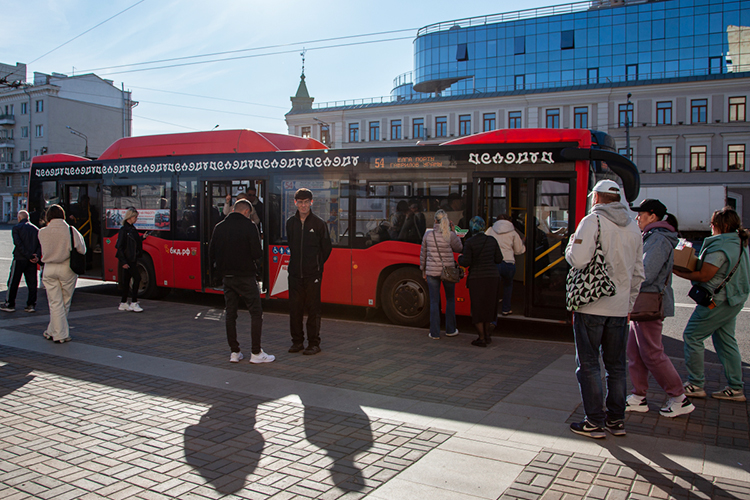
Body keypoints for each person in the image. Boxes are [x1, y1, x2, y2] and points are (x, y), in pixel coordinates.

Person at [565, 180, 644, 439]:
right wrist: (628, 305)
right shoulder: (633, 227)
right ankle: (616, 420)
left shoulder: (592, 221)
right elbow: (638, 274)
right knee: (616, 366)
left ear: (596, 198)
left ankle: (595, 422)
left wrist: (569, 246)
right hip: (620, 309)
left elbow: (577, 259)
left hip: (591, 305)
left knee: (588, 364)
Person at [673, 206, 750, 402]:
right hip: (733, 298)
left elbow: (706, 274)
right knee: (726, 341)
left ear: (721, 226)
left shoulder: (721, 245)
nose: (710, 226)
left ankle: (696, 383)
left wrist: (676, 271)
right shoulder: (739, 243)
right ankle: (735, 388)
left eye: (712, 223)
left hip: (717, 299)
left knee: (692, 335)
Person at [627, 199, 694, 417]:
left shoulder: (659, 238)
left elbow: (647, 271)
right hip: (642, 302)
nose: (637, 217)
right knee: (635, 351)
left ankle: (679, 398)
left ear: (652, 216)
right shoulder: (653, 236)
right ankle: (639, 396)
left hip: (649, 301)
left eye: (641, 214)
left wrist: (625, 277)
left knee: (652, 353)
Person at [209, 199, 274, 364]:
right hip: (245, 276)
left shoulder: (219, 227)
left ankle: (235, 352)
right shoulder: (249, 226)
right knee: (256, 313)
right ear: (247, 211)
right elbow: (256, 253)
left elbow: (211, 252)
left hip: (227, 278)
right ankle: (256, 352)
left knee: (230, 314)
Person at [286, 188, 332, 355]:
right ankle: (297, 342)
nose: (303, 205)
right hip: (295, 275)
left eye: (306, 202)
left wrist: (316, 266)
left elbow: (326, 249)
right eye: (300, 202)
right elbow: (291, 245)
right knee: (295, 309)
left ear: (311, 203)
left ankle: (314, 343)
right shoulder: (290, 223)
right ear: (295, 203)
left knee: (313, 309)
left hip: (313, 275)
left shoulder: (319, 224)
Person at [38, 204, 86, 343]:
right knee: (64, 302)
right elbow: (82, 249)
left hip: (48, 268)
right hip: (67, 267)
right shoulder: (71, 230)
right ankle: (60, 335)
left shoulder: (42, 232)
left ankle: (52, 331)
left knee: (54, 303)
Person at [458, 216, 502, 347]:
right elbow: (499, 259)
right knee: (489, 306)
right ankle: (488, 335)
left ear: (472, 228)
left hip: (477, 278)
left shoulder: (470, 242)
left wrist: (460, 258)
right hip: (493, 278)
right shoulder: (492, 240)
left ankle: (481, 337)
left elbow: (466, 262)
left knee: (478, 307)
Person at [421, 209, 463, 339]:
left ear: (435, 221)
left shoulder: (428, 235)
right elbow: (459, 248)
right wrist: (453, 230)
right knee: (450, 299)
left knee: (434, 302)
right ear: (447, 221)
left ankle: (434, 333)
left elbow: (423, 254)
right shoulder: (450, 235)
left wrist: (423, 270)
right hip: (448, 272)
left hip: (432, 272)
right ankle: (450, 330)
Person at [1, 210, 41, 313]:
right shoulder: (36, 229)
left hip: (20, 258)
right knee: (32, 283)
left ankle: (10, 304)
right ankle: (31, 304)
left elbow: (18, 244)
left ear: (19, 218)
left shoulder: (16, 228)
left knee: (13, 281)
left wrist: (27, 255)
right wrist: (35, 256)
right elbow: (39, 245)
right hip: (32, 260)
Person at [486, 214, 526, 316]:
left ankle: (491, 310)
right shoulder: (513, 233)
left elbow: (484, 245)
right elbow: (519, 251)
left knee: (493, 288)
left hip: (494, 263)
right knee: (508, 286)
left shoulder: (490, 230)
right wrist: (523, 242)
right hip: (508, 263)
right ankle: (506, 309)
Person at [116, 208, 145, 313]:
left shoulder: (131, 229)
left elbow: (135, 242)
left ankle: (123, 302)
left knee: (127, 280)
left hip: (131, 258)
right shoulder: (124, 230)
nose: (136, 219)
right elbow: (119, 247)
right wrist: (123, 261)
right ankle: (133, 302)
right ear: (130, 217)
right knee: (137, 278)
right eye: (135, 217)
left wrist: (143, 238)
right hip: (128, 259)